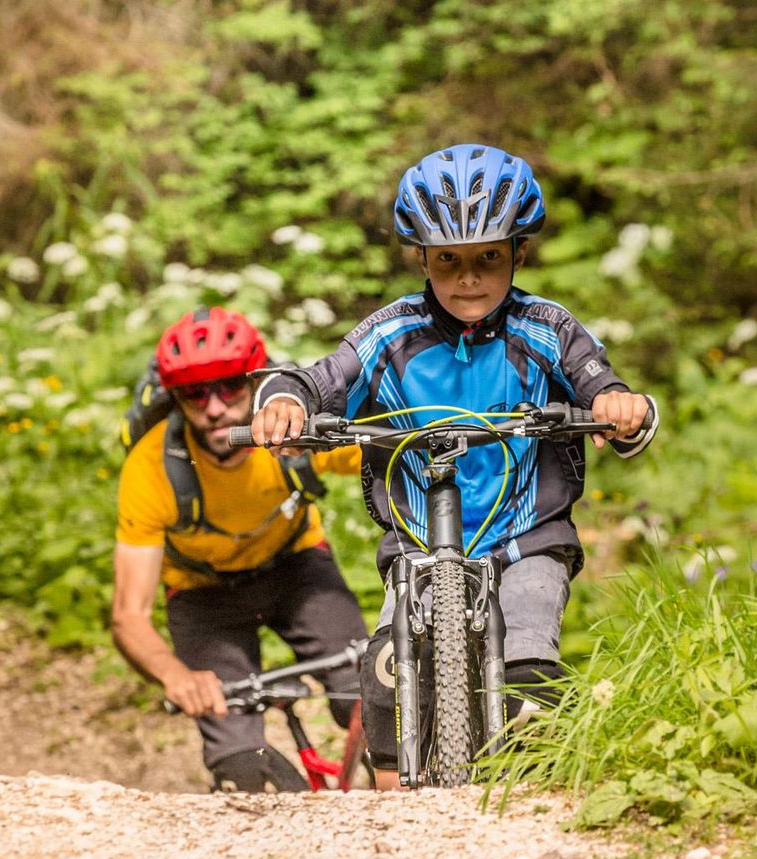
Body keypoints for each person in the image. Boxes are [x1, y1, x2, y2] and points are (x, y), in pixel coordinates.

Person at [249, 144, 659, 789]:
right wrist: (285, 404)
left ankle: (534, 803)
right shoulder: (389, 334)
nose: (469, 278)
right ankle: (397, 831)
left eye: (488, 258)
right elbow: (321, 381)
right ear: (423, 258)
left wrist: (616, 405)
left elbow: (598, 384)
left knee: (527, 666)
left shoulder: (548, 328)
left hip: (526, 541)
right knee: (387, 669)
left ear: (519, 252)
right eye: (450, 262)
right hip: (418, 548)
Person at [111, 307, 369, 792]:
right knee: (242, 765)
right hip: (204, 595)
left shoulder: (292, 433)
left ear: (257, 382)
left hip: (298, 569)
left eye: (229, 386)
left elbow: (390, 449)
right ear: (175, 397)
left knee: (371, 701)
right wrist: (176, 676)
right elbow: (129, 615)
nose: (213, 407)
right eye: (193, 392)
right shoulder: (151, 470)